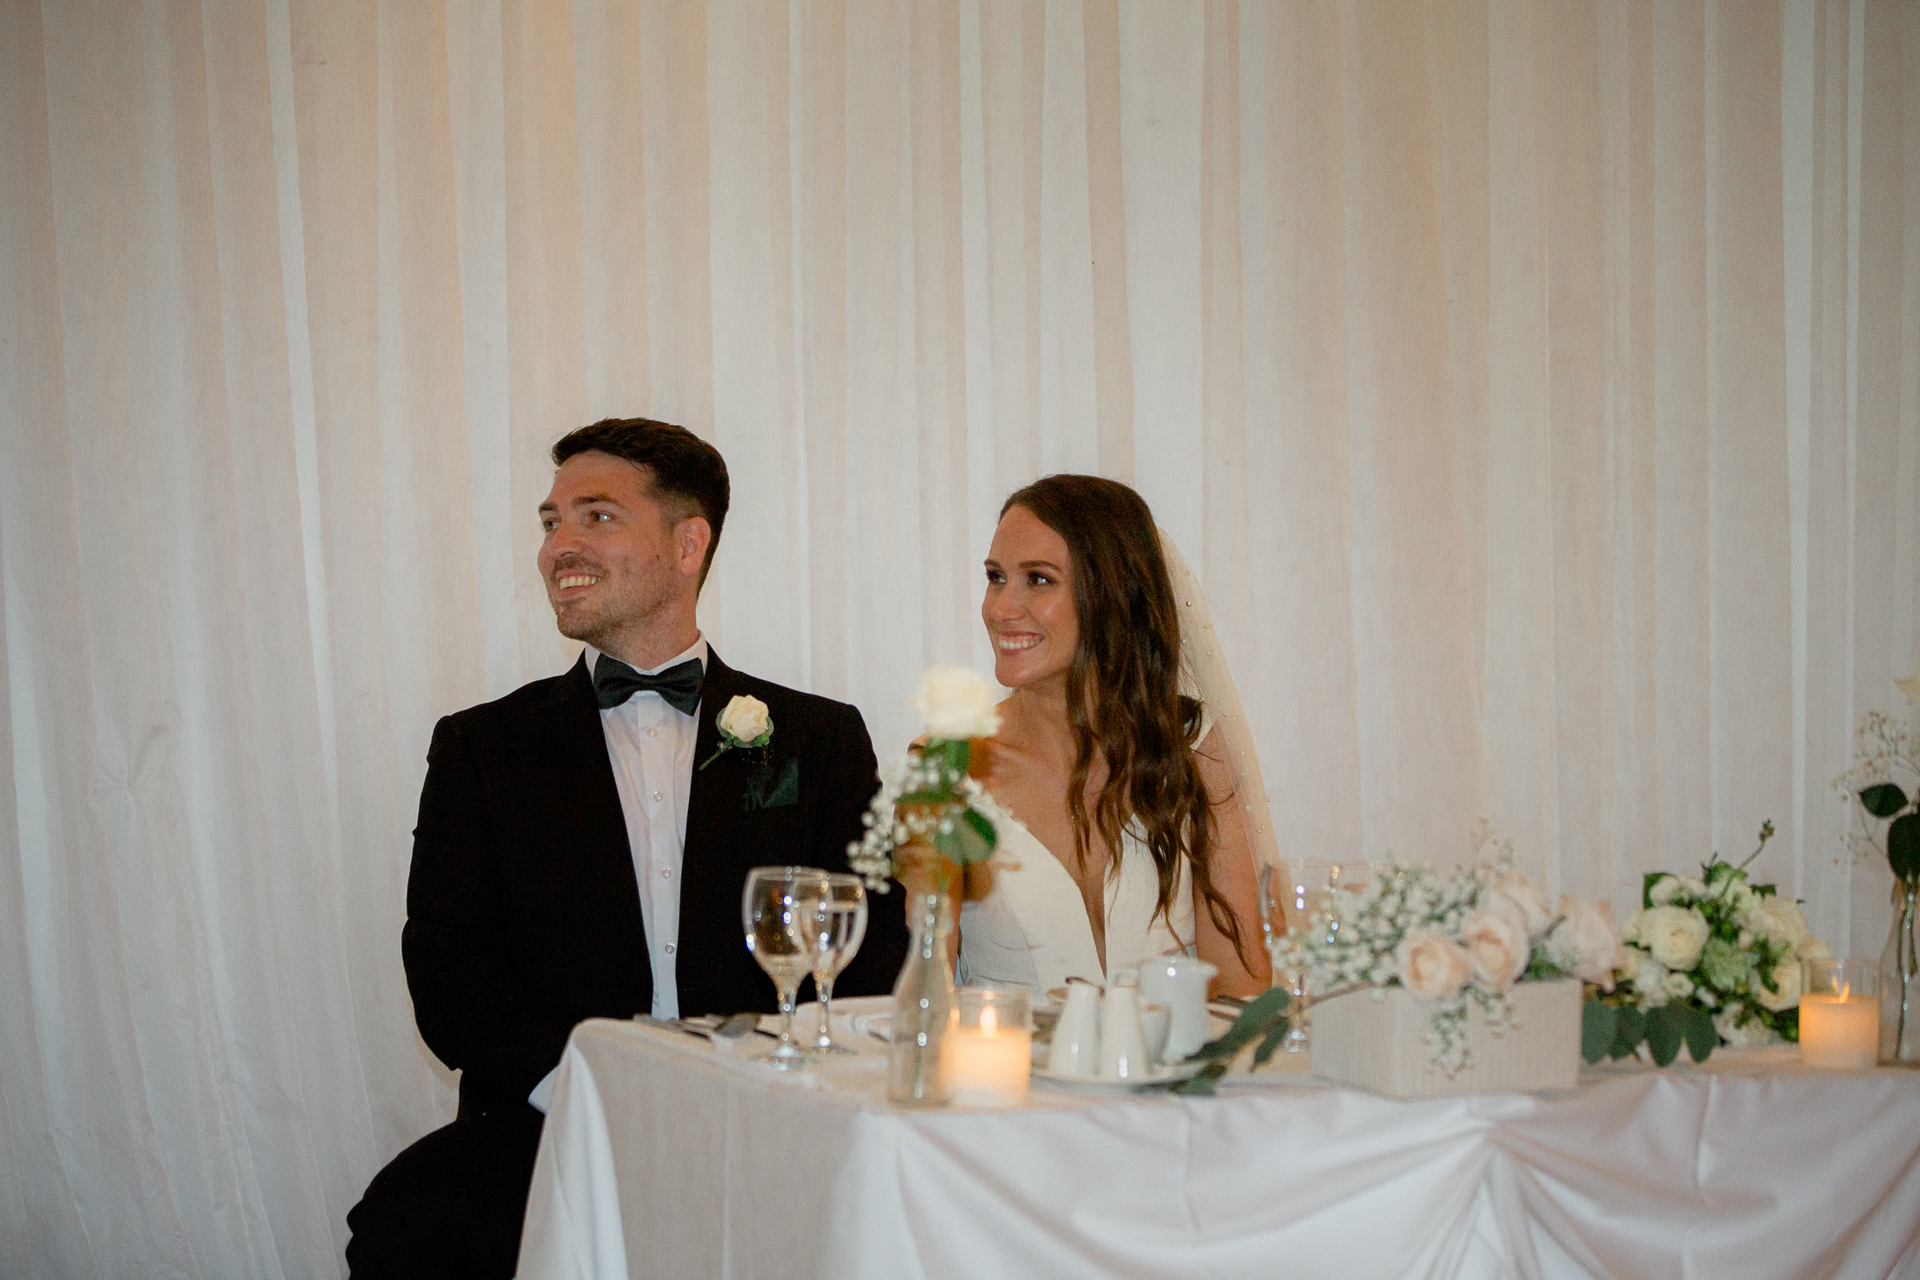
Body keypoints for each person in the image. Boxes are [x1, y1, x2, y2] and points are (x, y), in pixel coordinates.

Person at [346, 418, 904, 1278]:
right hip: (549, 1128)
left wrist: (763, 1092)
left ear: (689, 545)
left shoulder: (818, 738)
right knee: (408, 1227)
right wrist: (589, 1091)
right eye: (549, 521)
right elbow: (450, 974)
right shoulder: (481, 748)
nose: (556, 547)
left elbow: (876, 945)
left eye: (595, 517)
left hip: (773, 1122)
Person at [956, 475, 1273, 998]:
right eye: (996, 577)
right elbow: (925, 991)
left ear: (1110, 594)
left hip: (1169, 1075)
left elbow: (1242, 986)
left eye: (1037, 579)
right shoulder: (951, 765)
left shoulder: (1192, 748)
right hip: (1012, 1076)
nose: (1000, 609)